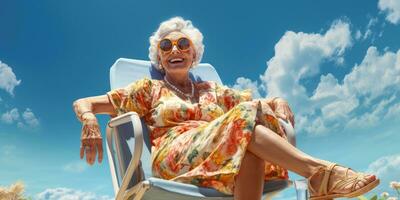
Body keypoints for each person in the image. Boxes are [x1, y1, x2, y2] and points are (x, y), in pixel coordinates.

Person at [72, 17, 379, 200]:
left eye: (182, 44)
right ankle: (319, 174)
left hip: (220, 154)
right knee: (246, 117)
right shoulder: (148, 89)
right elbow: (84, 102)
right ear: (159, 59)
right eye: (165, 47)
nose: (174, 50)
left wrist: (277, 101)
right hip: (174, 156)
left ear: (194, 55)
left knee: (250, 136)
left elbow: (258, 105)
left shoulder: (213, 90)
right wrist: (88, 119)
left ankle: (319, 176)